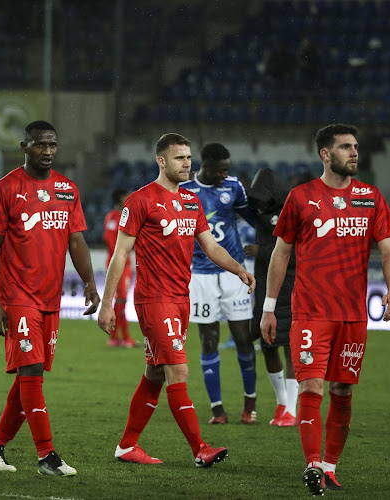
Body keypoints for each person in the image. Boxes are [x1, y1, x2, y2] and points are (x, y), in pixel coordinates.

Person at [98, 133, 255, 468]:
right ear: (161, 161)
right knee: (178, 371)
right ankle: (200, 448)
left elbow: (211, 247)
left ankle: (127, 446)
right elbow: (120, 254)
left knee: (155, 373)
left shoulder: (191, 202)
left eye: (189, 157)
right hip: (154, 299)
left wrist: (238, 268)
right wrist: (107, 302)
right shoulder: (141, 201)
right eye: (180, 158)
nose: (187, 163)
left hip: (180, 298)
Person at [260, 123, 390, 496]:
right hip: (310, 312)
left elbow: (387, 250)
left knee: (342, 391)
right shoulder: (301, 197)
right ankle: (312, 467)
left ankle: (330, 467)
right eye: (345, 147)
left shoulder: (371, 197)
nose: (354, 152)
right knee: (311, 384)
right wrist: (269, 308)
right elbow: (281, 253)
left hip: (352, 315)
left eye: (355, 146)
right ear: (325, 154)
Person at [0, 120, 100, 476]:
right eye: (40, 145)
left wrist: (90, 283)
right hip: (17, 296)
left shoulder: (67, 189)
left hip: (51, 297)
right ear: (24, 146)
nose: (47, 151)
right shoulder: (5, 188)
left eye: (52, 145)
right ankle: (47, 456)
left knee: (27, 378)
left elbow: (76, 241)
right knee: (31, 370)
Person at [180, 143, 259, 425]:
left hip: (232, 272)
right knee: (209, 340)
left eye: (228, 170)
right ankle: (217, 409)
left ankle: (250, 405)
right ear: (207, 167)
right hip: (200, 275)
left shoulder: (234, 187)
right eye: (220, 170)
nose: (225, 175)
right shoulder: (185, 190)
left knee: (242, 339)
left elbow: (255, 219)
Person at [244, 167, 299, 427]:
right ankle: (281, 402)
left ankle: (292, 409)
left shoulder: (293, 212)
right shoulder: (263, 214)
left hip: (290, 286)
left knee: (289, 345)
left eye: (262, 196)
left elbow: (297, 253)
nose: (258, 202)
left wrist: (261, 250)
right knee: (268, 345)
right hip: (265, 287)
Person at [102, 188, 137, 348]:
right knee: (121, 300)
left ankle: (118, 337)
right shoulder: (112, 217)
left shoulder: (126, 216)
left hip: (127, 264)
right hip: (116, 264)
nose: (128, 199)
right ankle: (120, 337)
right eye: (125, 197)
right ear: (119, 199)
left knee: (122, 301)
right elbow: (110, 241)